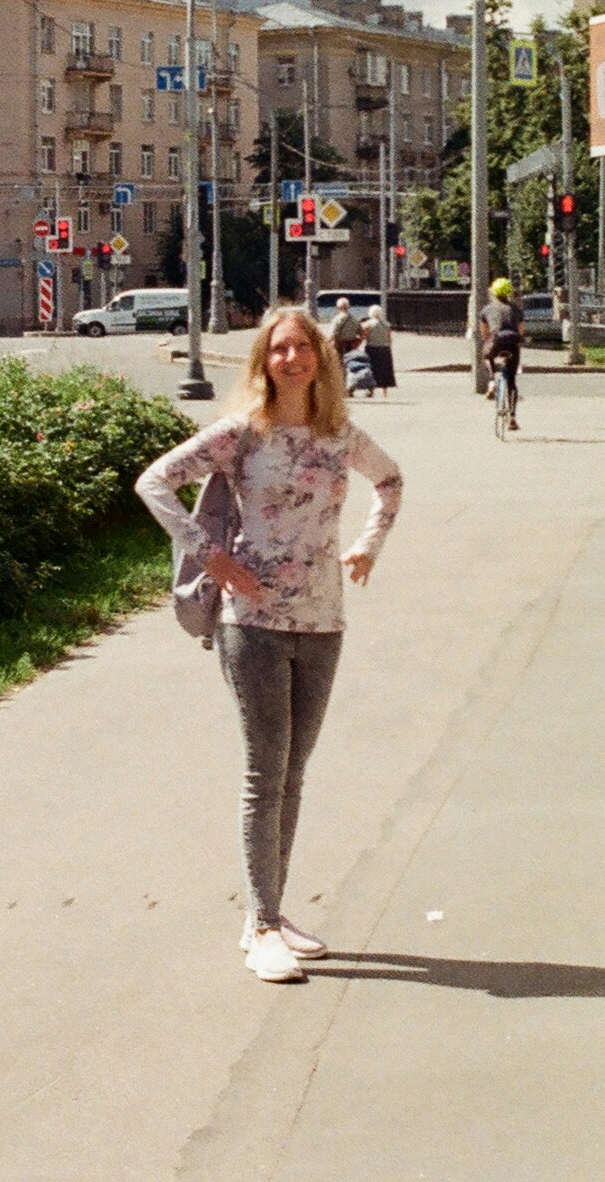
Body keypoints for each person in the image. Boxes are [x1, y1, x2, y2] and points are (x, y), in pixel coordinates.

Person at [136, 305, 405, 984]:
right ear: (265, 362)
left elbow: (391, 482)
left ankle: (272, 912)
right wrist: (209, 555)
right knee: (265, 771)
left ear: (320, 358)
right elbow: (154, 481)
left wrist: (366, 547)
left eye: (302, 349)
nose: (292, 359)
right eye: (279, 350)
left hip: (322, 621)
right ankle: (260, 928)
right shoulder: (241, 436)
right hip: (249, 623)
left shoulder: (339, 435)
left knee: (294, 774)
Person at [479, 277, 524, 430]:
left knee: (487, 356)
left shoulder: (487, 310)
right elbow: (521, 331)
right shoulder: (516, 309)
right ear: (509, 292)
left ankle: (492, 381)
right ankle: (512, 418)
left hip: (496, 343)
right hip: (512, 344)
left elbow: (484, 334)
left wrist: (488, 343)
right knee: (511, 381)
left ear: (493, 293)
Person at [359, 300, 396, 395]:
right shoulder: (387, 324)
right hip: (385, 349)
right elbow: (389, 338)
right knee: (384, 370)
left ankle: (370, 390)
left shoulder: (368, 324)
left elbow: (363, 337)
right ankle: (385, 391)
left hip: (372, 349)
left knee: (371, 369)